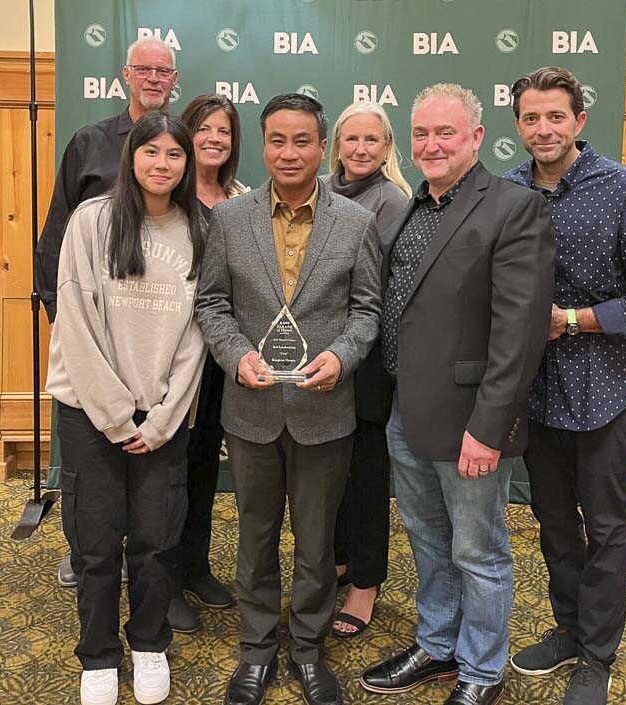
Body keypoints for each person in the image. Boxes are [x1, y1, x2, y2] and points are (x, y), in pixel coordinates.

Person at [360, 83, 555, 705]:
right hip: (406, 411)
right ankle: (438, 643)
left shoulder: (513, 208)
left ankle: (482, 669)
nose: (431, 144)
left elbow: (520, 333)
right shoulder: (411, 205)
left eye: (445, 132)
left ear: (476, 137)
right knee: (427, 540)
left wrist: (488, 428)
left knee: (479, 550)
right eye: (421, 133)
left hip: (471, 419)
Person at [195, 93, 381, 705]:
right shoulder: (230, 219)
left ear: (323, 147)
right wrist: (235, 355)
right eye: (277, 140)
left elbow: (367, 311)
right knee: (254, 537)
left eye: (302, 141)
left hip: (324, 412)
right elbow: (212, 304)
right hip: (250, 412)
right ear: (264, 145)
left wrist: (343, 356)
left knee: (316, 542)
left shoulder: (355, 223)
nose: (289, 152)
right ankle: (256, 650)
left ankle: (306, 648)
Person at [504, 66, 626, 705]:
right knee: (553, 521)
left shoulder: (625, 188)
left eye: (556, 116)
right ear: (517, 125)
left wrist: (574, 320)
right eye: (531, 118)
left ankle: (597, 657)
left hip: (603, 392)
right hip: (533, 393)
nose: (543, 128)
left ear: (579, 121)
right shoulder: (507, 190)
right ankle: (570, 629)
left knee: (607, 530)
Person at [47, 111, 206, 705]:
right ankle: (98, 656)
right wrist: (116, 415)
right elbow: (76, 322)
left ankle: (148, 644)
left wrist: (162, 418)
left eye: (174, 154)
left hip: (162, 417)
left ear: (187, 164)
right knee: (95, 544)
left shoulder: (199, 229)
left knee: (156, 541)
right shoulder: (92, 220)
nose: (162, 164)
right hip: (90, 413)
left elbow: (197, 336)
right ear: (131, 156)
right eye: (151, 151)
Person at [35, 36, 179, 588]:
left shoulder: (178, 144)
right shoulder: (89, 142)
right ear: (125, 75)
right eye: (144, 68)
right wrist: (64, 321)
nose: (153, 78)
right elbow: (56, 235)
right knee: (90, 475)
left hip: (154, 340)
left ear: (174, 80)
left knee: (152, 483)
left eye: (163, 70)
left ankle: (150, 569)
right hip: (89, 338)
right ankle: (89, 554)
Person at [163, 94, 249, 634]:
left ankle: (195, 565)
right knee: (169, 470)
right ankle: (165, 579)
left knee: (203, 465)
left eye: (225, 131)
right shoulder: (167, 198)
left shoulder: (241, 199)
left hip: (223, 355)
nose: (215, 138)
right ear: (186, 135)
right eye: (205, 129)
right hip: (174, 357)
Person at [325, 101, 410, 638]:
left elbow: (385, 291)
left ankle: (366, 581)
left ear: (386, 148)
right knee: (326, 470)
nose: (360, 149)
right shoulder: (319, 191)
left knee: (365, 474)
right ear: (337, 145)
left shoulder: (393, 201)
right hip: (318, 353)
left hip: (368, 359)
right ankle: (337, 560)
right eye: (351, 139)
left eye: (371, 140)